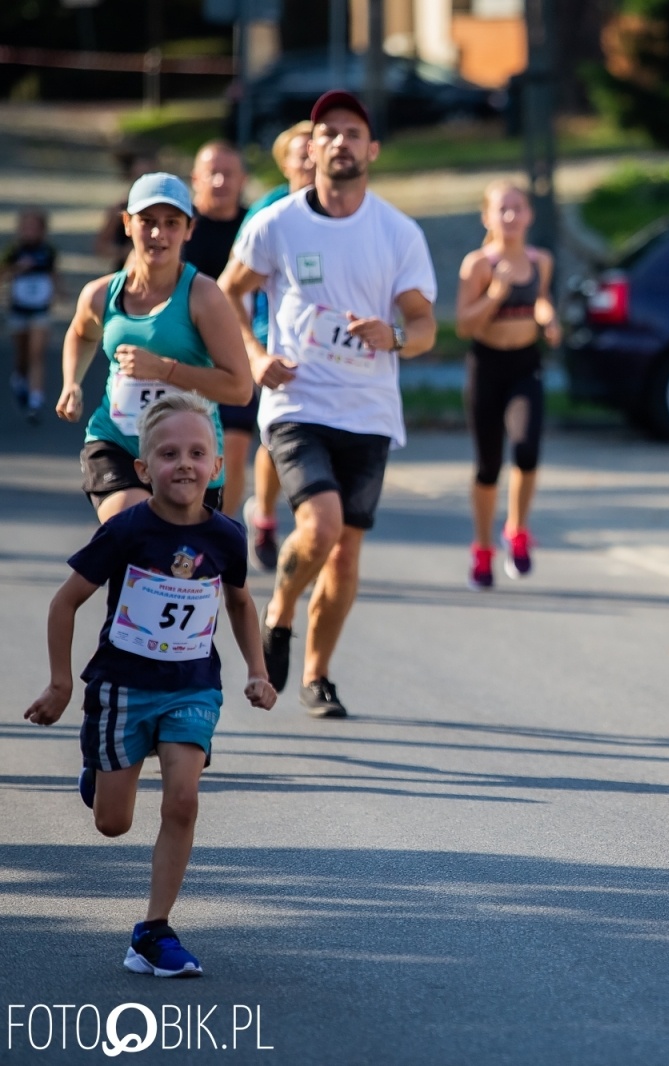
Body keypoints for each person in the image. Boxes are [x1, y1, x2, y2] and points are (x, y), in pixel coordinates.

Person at [23, 392, 277, 978]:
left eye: (197, 453)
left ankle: (154, 932)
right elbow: (65, 602)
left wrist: (258, 672)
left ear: (217, 466)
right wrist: (61, 684)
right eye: (168, 453)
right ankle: (100, 768)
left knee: (183, 801)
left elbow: (240, 603)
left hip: (192, 686)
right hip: (122, 687)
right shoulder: (128, 529)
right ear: (142, 468)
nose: (184, 463)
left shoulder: (227, 536)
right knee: (112, 822)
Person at [221, 90, 437, 719]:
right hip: (298, 403)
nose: (341, 141)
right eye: (328, 132)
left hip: (369, 411)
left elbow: (424, 325)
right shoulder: (277, 223)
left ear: (373, 150)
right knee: (321, 526)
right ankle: (281, 611)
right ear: (310, 148)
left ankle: (317, 676)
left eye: (353, 132)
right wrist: (255, 356)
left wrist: (395, 336)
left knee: (345, 554)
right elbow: (229, 293)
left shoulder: (398, 232)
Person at [58, 173, 254, 523]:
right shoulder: (101, 294)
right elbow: (81, 333)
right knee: (132, 524)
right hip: (117, 440)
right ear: (127, 224)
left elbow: (239, 389)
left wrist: (164, 370)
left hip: (188, 454)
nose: (157, 234)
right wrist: (72, 382)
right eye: (147, 221)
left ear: (189, 229)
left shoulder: (204, 297)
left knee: (173, 554)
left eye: (171, 223)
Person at [454, 180, 560, 589]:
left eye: (518, 208)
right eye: (502, 209)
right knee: (488, 466)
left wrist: (548, 318)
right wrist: (495, 294)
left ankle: (517, 529)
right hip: (487, 367)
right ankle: (482, 548)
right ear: (488, 217)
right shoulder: (478, 265)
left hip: (525, 365)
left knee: (527, 450)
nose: (511, 216)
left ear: (530, 214)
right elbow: (464, 325)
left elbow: (540, 298)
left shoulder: (541, 261)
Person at [237, 121, 314, 572]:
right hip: (273, 339)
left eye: (314, 151)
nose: (309, 160)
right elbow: (237, 286)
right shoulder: (267, 212)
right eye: (300, 154)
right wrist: (251, 349)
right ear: (284, 163)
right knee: (278, 434)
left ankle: (314, 529)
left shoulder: (338, 212)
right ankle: (265, 515)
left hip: (322, 345)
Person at [182, 140, 254, 518]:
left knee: (234, 448)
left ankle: (223, 525)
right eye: (212, 173)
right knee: (184, 448)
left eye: (229, 173)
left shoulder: (255, 227)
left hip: (237, 353)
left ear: (243, 179)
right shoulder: (179, 226)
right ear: (196, 178)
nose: (221, 181)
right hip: (183, 353)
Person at [3, 207, 57, 422]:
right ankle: (19, 377)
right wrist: (17, 268)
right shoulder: (13, 251)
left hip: (41, 308)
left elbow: (53, 275)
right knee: (22, 353)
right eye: (26, 227)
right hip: (19, 309)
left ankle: (36, 400)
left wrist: (59, 292)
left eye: (34, 227)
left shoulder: (48, 251)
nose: (30, 232)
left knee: (37, 353)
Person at [94, 148, 159, 272]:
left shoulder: (165, 209)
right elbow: (101, 246)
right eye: (140, 178)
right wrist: (126, 252)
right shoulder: (121, 208)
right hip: (127, 271)